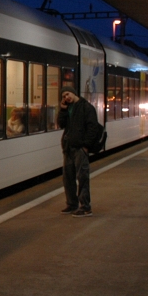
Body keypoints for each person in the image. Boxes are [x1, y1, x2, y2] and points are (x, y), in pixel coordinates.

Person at [57, 85, 101, 217]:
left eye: (68, 94)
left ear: (74, 93)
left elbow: (92, 128)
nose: (67, 97)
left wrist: (86, 146)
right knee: (68, 178)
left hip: (80, 148)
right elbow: (61, 124)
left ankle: (85, 207)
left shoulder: (86, 107)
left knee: (82, 177)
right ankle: (72, 204)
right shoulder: (68, 108)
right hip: (68, 148)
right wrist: (63, 110)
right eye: (64, 96)